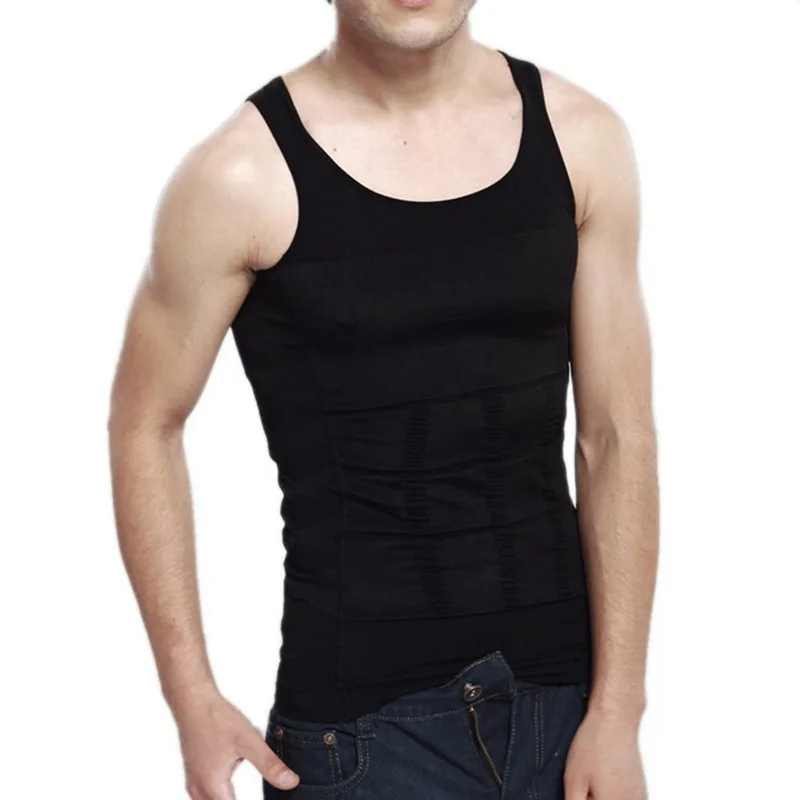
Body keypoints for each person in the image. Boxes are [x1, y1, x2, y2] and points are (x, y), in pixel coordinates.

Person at [107, 1, 658, 798]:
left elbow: (615, 434)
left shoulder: (582, 140)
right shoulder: (239, 177)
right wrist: (190, 697)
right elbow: (144, 423)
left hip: (566, 715)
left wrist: (619, 709)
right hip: (359, 736)